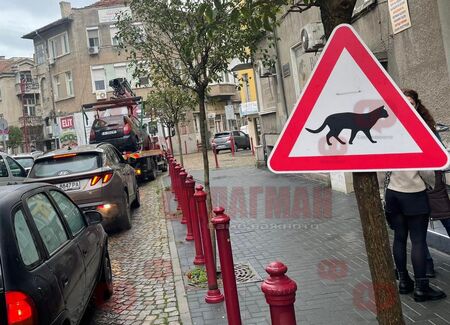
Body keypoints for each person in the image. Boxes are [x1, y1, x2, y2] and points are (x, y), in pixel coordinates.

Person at [383, 89, 446, 302]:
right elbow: (428, 169)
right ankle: (421, 288)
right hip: (413, 192)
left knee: (399, 238)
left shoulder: (389, 129)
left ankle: (403, 282)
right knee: (418, 240)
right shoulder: (417, 130)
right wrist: (428, 185)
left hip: (393, 192)